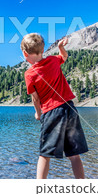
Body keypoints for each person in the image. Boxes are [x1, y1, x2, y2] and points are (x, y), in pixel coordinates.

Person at [21, 33, 88, 179]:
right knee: (74, 155)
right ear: (43, 50)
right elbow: (64, 57)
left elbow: (35, 99)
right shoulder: (52, 60)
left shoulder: (29, 74)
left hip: (52, 112)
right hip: (69, 109)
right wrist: (60, 48)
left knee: (45, 155)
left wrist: (38, 113)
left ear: (25, 54)